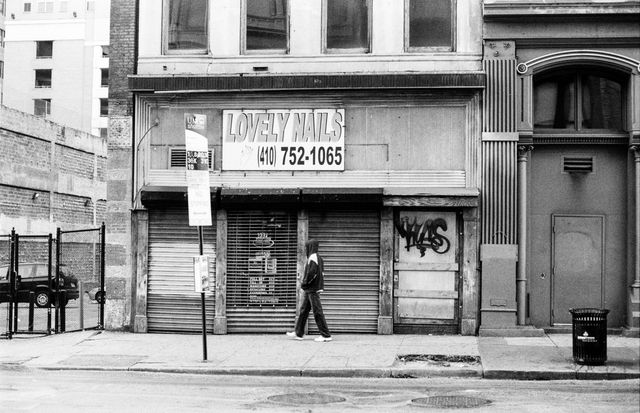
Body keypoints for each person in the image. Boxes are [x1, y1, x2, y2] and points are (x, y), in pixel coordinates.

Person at [286, 239, 332, 342]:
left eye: (307, 246)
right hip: (312, 289)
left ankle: (326, 335)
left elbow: (312, 273)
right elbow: (322, 274)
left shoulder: (313, 257)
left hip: (312, 289)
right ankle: (299, 333)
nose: (306, 248)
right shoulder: (319, 258)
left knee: (317, 312)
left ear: (310, 247)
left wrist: (304, 283)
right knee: (304, 311)